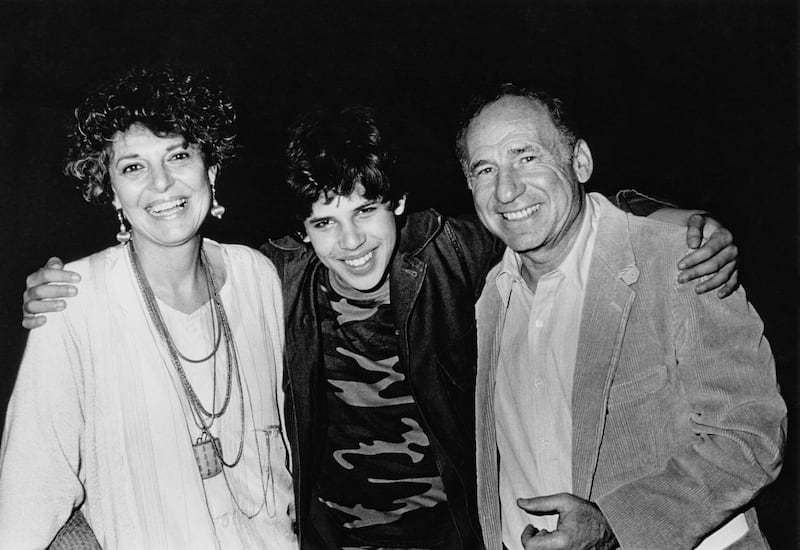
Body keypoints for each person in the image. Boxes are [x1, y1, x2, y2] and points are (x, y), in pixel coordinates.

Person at [22, 106, 739, 548]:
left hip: (454, 536)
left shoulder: (453, 252)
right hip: (331, 540)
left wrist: (675, 218)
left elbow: (559, 220)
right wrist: (67, 284)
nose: (351, 242)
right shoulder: (278, 276)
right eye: (325, 223)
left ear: (396, 202)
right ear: (303, 232)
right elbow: (184, 259)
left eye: (365, 211)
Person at [457, 85, 786, 549]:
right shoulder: (486, 295)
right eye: (485, 169)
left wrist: (618, 527)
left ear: (580, 162)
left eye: (526, 157)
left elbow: (752, 437)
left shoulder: (679, 261)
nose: (506, 189)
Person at [1, 67, 296, 549]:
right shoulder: (74, 301)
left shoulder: (257, 275)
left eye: (179, 156)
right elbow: (32, 486)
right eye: (133, 167)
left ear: (211, 170)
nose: (162, 183)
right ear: (113, 191)